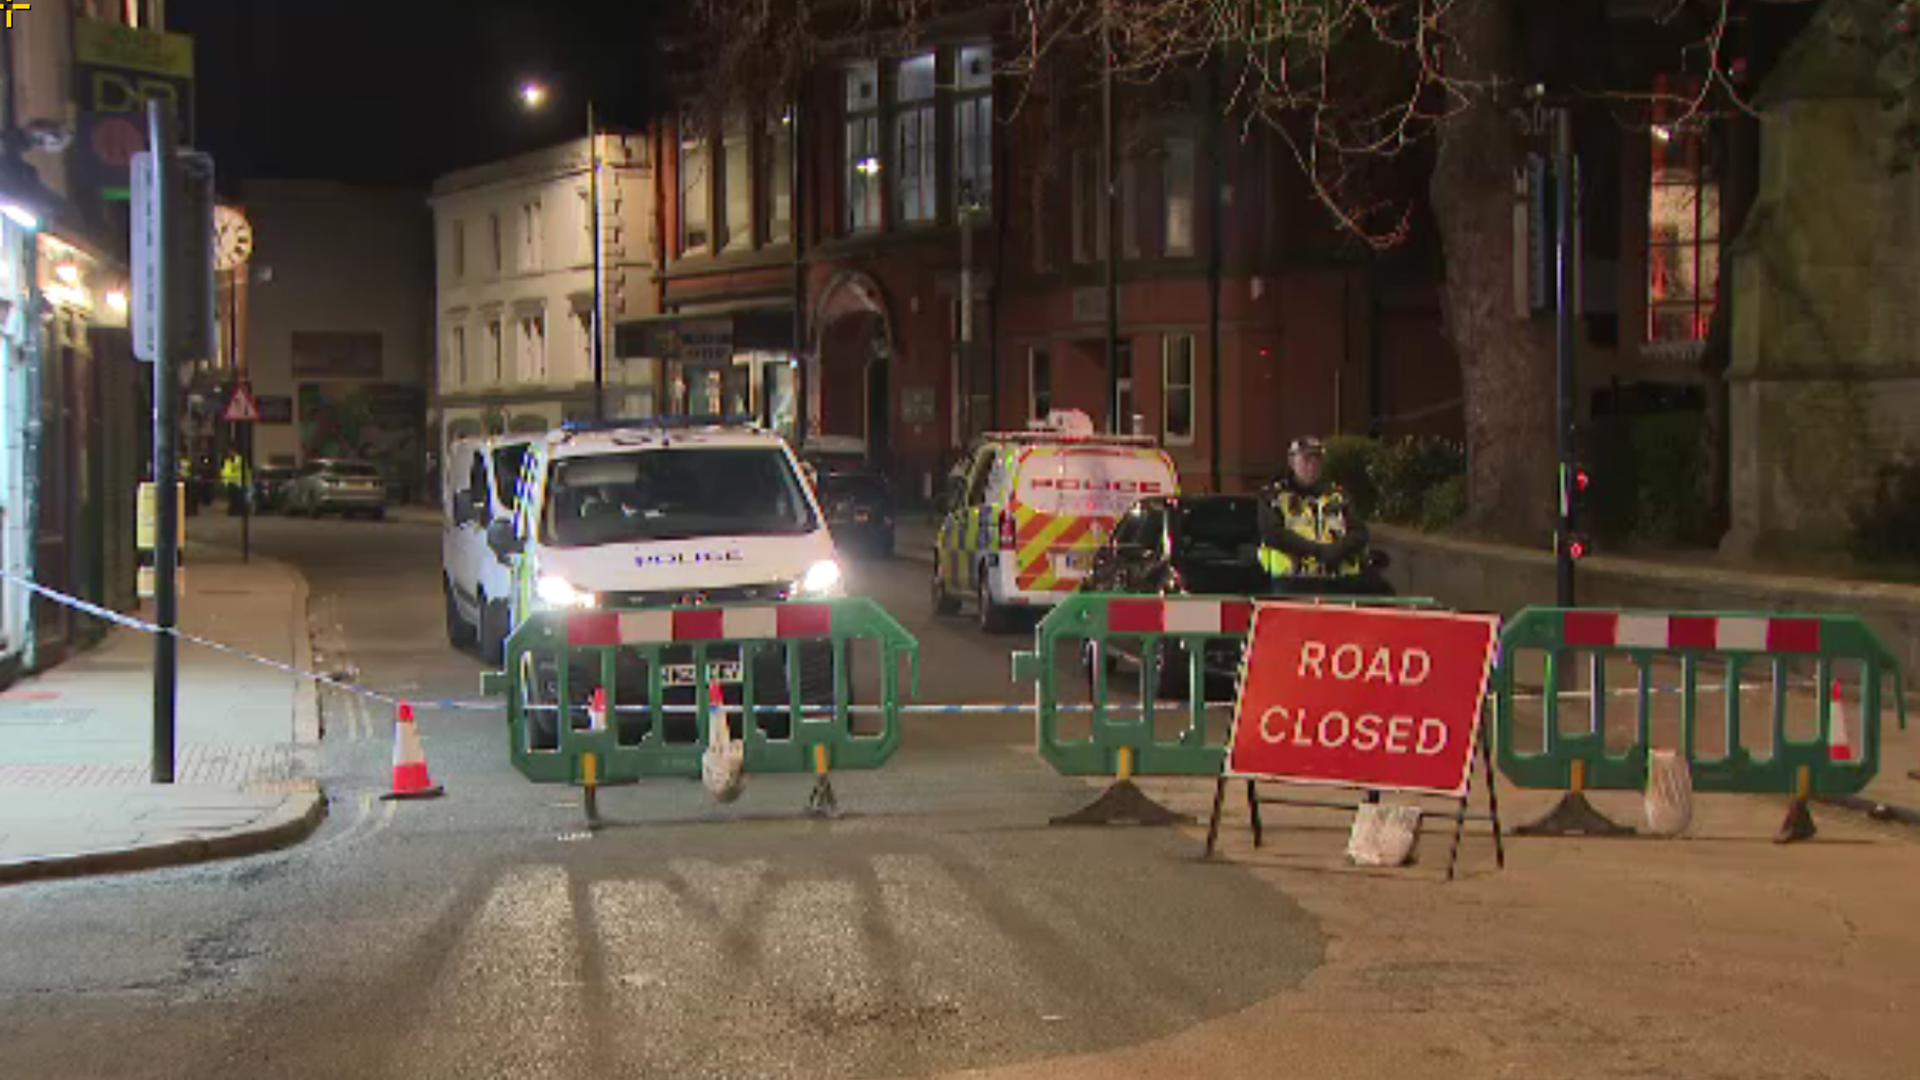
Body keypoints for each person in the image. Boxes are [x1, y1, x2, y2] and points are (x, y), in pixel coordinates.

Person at [1256, 435, 1385, 596]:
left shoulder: (1338, 495)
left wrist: (1336, 550)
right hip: (1292, 583)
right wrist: (1319, 552)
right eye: (1306, 460)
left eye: (1317, 461)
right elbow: (1273, 534)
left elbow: (1359, 533)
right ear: (1292, 462)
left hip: (1338, 582)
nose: (1312, 466)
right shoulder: (1274, 496)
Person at [220, 450, 247, 516]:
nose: (230, 453)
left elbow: (245, 471)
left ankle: (237, 511)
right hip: (231, 483)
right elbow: (224, 472)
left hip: (238, 483)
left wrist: (246, 481)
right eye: (229, 452)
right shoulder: (227, 461)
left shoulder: (240, 460)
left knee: (238, 498)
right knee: (232, 499)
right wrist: (225, 482)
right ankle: (233, 511)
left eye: (232, 452)